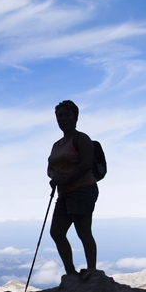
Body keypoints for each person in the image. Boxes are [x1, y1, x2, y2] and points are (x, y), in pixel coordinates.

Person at [47, 100, 98, 279]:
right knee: (56, 232)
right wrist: (55, 178)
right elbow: (50, 167)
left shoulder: (81, 139)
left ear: (76, 117)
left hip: (82, 189)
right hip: (65, 192)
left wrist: (65, 179)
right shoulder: (57, 144)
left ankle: (91, 272)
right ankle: (70, 272)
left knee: (83, 231)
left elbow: (86, 165)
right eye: (60, 116)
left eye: (67, 115)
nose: (63, 119)